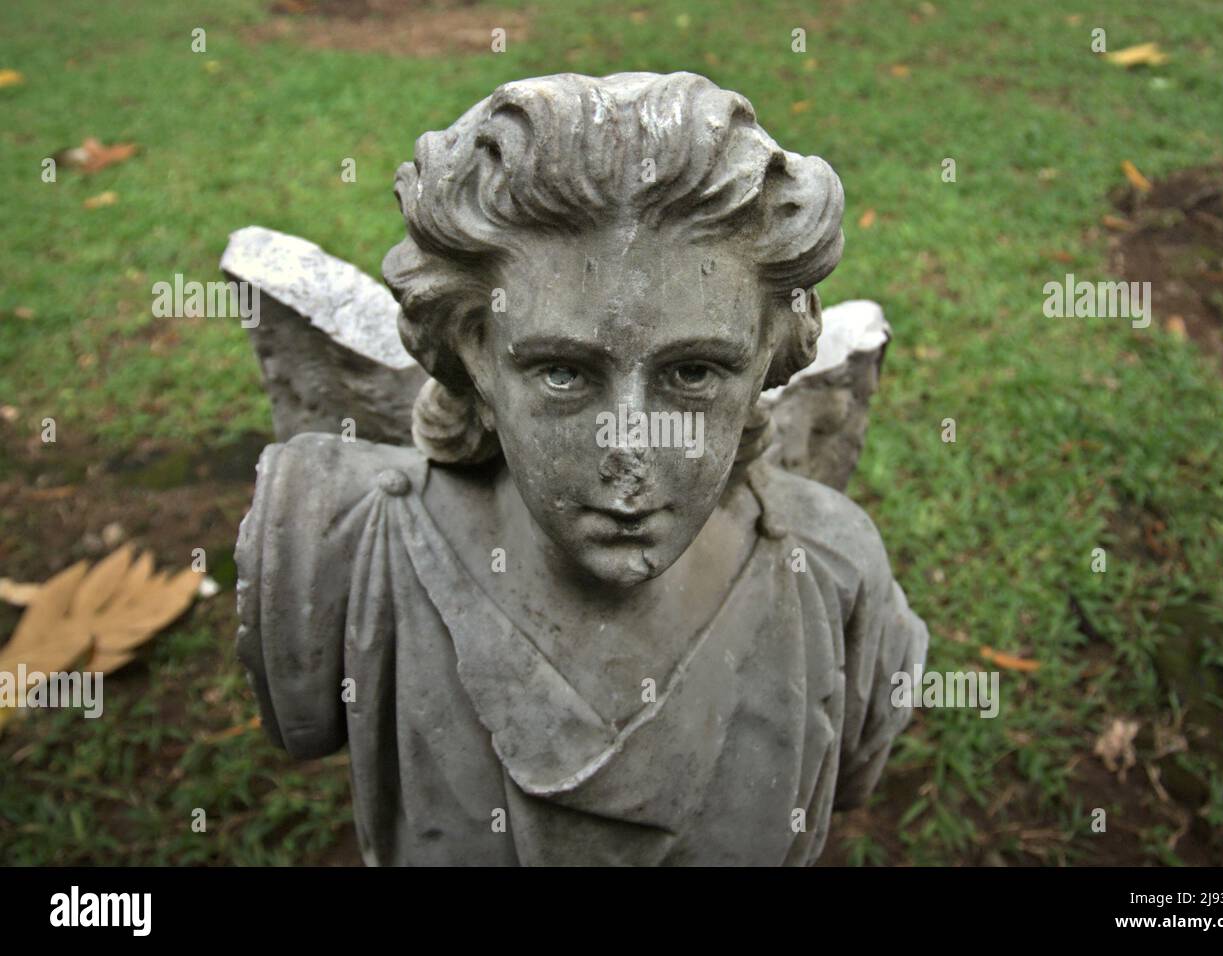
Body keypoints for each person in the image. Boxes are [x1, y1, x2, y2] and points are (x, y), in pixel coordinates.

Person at [236, 71, 929, 865]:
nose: (629, 456)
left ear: (770, 356)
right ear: (473, 356)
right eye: (563, 374)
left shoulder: (834, 576)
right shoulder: (339, 548)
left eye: (694, 373)